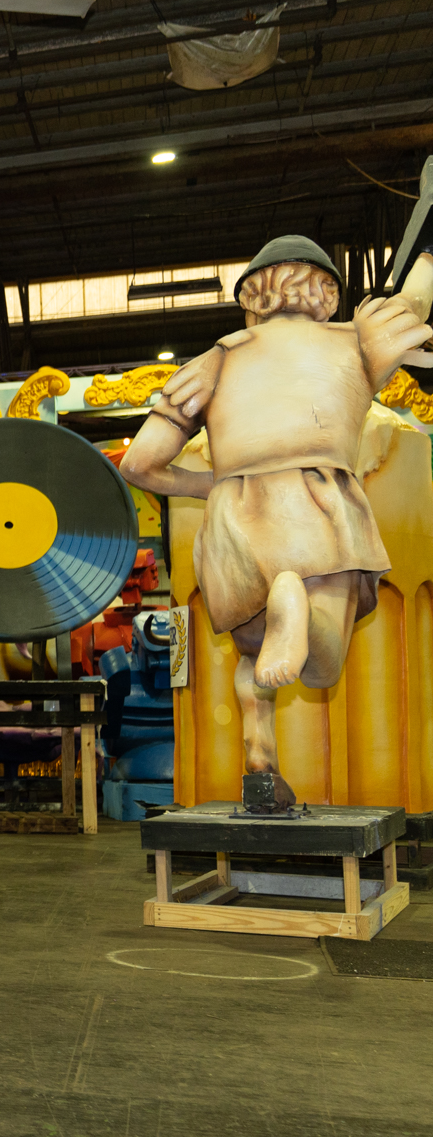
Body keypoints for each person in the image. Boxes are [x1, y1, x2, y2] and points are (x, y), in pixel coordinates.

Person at [121, 236, 433, 809]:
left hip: (233, 527)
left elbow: (139, 464)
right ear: (326, 292)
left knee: (253, 656)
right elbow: (415, 302)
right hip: (318, 509)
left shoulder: (213, 360)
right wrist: (430, 253)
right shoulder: (354, 342)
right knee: (321, 666)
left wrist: (210, 484)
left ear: (252, 298)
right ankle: (293, 599)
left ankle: (261, 762)